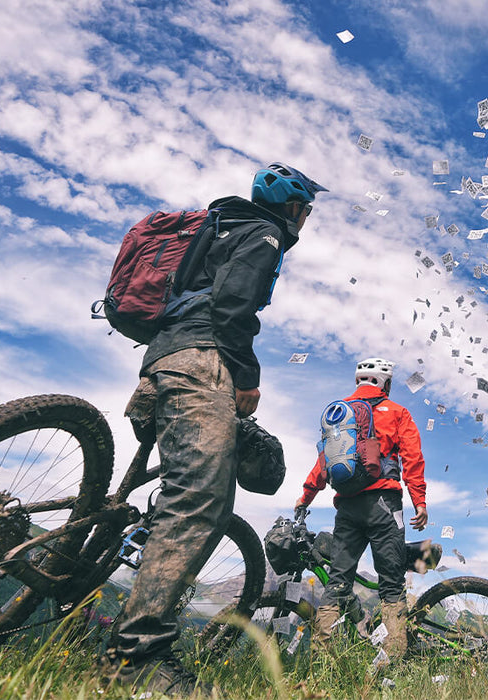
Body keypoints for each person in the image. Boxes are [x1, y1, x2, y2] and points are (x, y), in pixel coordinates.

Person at [102, 163, 327, 695]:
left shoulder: (217, 224)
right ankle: (135, 659)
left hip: (162, 361)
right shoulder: (265, 233)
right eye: (306, 209)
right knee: (200, 499)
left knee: (182, 490)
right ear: (293, 206)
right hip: (202, 363)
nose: (306, 218)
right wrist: (246, 378)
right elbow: (232, 307)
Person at [296, 357, 429, 662]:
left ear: (358, 381)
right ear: (386, 383)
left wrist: (306, 496)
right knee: (391, 583)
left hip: (347, 507)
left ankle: (322, 661)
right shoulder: (397, 412)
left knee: (338, 581)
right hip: (385, 506)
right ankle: (393, 661)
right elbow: (412, 457)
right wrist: (419, 501)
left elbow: (323, 461)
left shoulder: (340, 415)